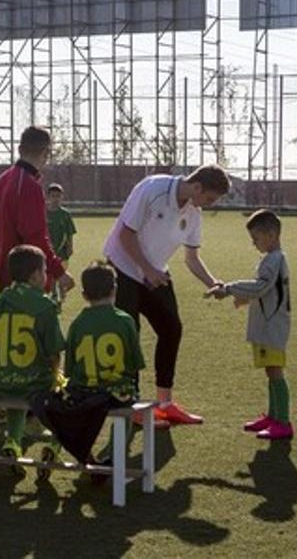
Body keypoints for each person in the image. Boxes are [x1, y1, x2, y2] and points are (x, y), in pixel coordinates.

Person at [102, 164, 229, 427]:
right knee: (129, 332)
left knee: (171, 328)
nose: (208, 205)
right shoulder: (152, 188)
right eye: (209, 198)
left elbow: (192, 258)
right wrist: (147, 270)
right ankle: (131, 405)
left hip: (155, 273)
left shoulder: (194, 213)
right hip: (122, 267)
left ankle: (165, 404)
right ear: (197, 187)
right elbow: (126, 234)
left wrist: (212, 282)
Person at [205, 209, 293, 440]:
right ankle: (274, 416)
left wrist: (230, 288)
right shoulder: (273, 258)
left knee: (275, 371)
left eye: (256, 239)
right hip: (267, 324)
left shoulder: (274, 259)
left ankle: (283, 421)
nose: (254, 244)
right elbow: (267, 290)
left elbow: (261, 286)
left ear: (271, 235)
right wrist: (245, 298)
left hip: (272, 326)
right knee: (270, 370)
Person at [0, 245, 66, 474]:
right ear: (34, 276)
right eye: (44, 271)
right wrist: (56, 377)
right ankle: (53, 448)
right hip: (34, 384)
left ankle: (13, 441)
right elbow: (54, 352)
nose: (46, 276)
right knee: (67, 399)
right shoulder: (44, 306)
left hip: (0, 382)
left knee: (17, 384)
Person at [64, 262, 147, 467]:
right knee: (127, 405)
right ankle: (115, 451)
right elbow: (135, 362)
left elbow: (69, 369)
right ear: (115, 289)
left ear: (84, 294)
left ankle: (88, 457)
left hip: (85, 393)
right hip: (117, 393)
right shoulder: (126, 321)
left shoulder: (77, 324)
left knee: (76, 406)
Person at [0, 126, 75, 294]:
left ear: (20, 149)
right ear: (46, 152)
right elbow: (35, 237)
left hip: (3, 271)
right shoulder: (29, 185)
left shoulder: (4, 178)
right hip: (26, 278)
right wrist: (59, 272)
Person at [46, 183, 77, 305]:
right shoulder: (43, 212)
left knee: (60, 273)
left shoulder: (65, 214)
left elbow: (69, 232)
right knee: (52, 274)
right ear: (48, 197)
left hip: (62, 250)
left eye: (58, 196)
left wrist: (70, 246)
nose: (55, 199)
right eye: (53, 196)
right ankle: (54, 295)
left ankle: (61, 292)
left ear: (62, 197)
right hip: (48, 249)